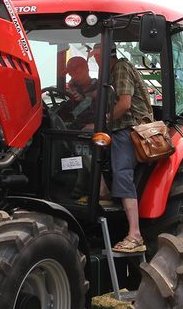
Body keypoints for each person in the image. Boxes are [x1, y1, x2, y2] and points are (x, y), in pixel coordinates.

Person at [107, 47, 155, 253]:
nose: (93, 58)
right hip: (123, 127)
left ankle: (135, 234)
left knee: (122, 172)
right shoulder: (111, 71)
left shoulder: (120, 67)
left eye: (94, 53)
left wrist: (103, 121)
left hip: (129, 129)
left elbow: (125, 104)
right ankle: (101, 192)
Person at [65, 56, 98, 130]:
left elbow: (78, 112)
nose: (74, 77)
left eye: (77, 72)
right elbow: (71, 115)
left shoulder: (99, 87)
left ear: (87, 69)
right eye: (71, 74)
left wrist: (83, 98)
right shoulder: (74, 89)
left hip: (92, 133)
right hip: (73, 130)